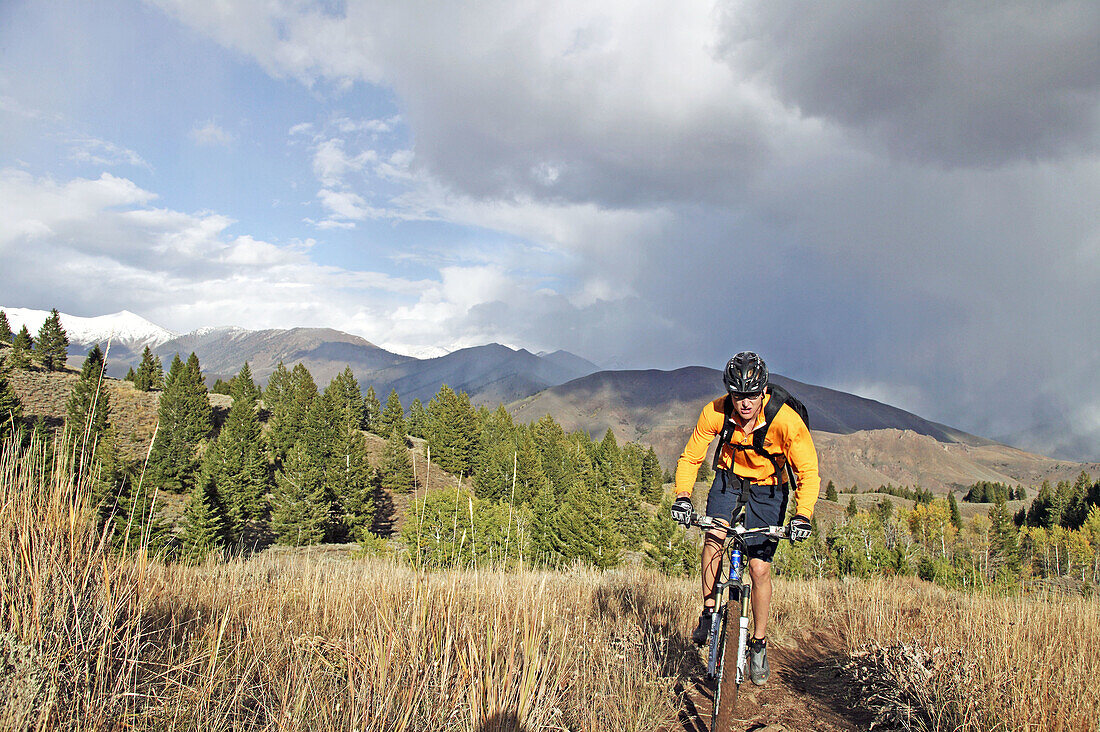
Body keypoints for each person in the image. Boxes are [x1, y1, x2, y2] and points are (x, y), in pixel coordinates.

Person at [670, 351, 818, 686]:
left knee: (759, 567)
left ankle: (759, 643)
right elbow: (692, 456)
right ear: (729, 392)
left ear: (763, 391)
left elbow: (808, 472)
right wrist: (682, 496)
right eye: (738, 395)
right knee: (713, 538)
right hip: (728, 478)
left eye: (752, 395)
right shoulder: (716, 412)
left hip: (769, 488)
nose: (745, 403)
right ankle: (709, 612)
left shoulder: (786, 421)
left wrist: (803, 515)